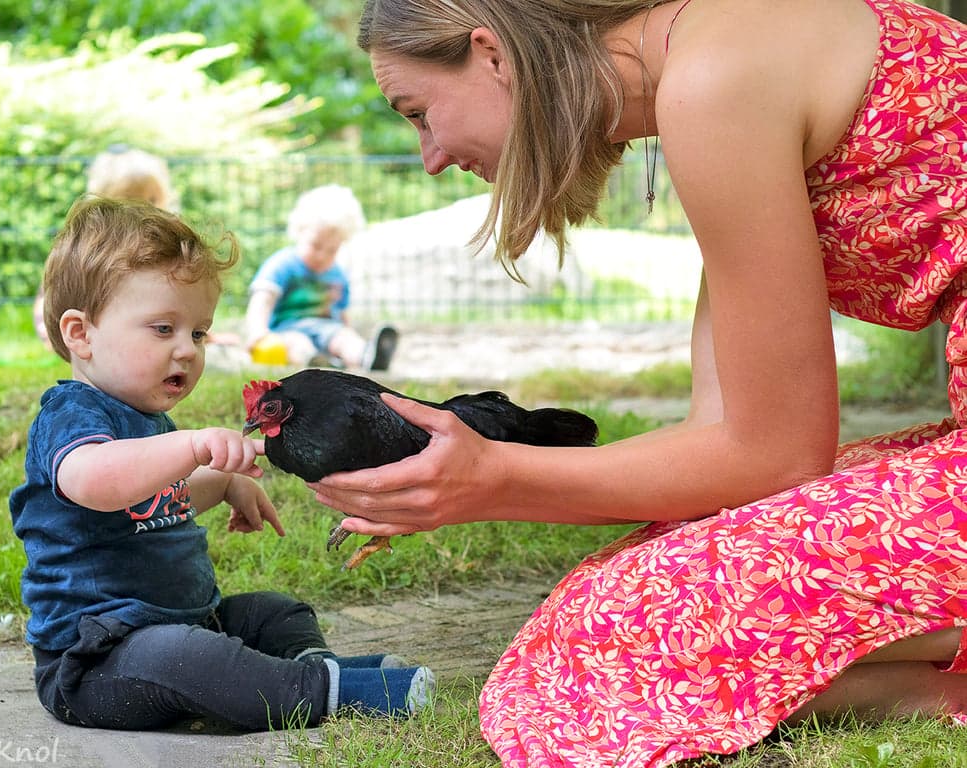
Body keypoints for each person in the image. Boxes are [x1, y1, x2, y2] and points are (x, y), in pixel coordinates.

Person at [309, 0, 967, 765]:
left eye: (417, 113)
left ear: (491, 55)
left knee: (620, 624)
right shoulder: (715, 55)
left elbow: (776, 456)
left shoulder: (715, 81)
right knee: (609, 599)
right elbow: (726, 444)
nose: (429, 155)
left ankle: (934, 690)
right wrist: (475, 481)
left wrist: (493, 479)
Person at [10, 196, 434, 732]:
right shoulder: (71, 414)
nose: (188, 350)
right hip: (97, 661)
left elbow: (163, 499)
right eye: (162, 329)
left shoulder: (146, 421)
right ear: (81, 334)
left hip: (186, 623)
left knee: (276, 612)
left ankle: (310, 669)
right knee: (188, 657)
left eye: (198, 333)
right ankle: (324, 692)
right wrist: (191, 446)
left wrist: (227, 483)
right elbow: (95, 481)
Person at [32, 146, 180, 349]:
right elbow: (51, 297)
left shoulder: (165, 244)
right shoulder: (90, 245)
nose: (144, 208)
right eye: (131, 199)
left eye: (152, 199)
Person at [244, 184, 398, 370]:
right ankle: (315, 363)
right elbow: (262, 299)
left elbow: (342, 314)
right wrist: (257, 331)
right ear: (299, 231)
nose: (322, 256)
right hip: (287, 330)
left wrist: (347, 332)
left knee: (344, 337)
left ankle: (367, 357)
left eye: (332, 250)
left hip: (327, 329)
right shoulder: (282, 264)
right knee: (298, 344)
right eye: (315, 246)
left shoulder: (337, 274)